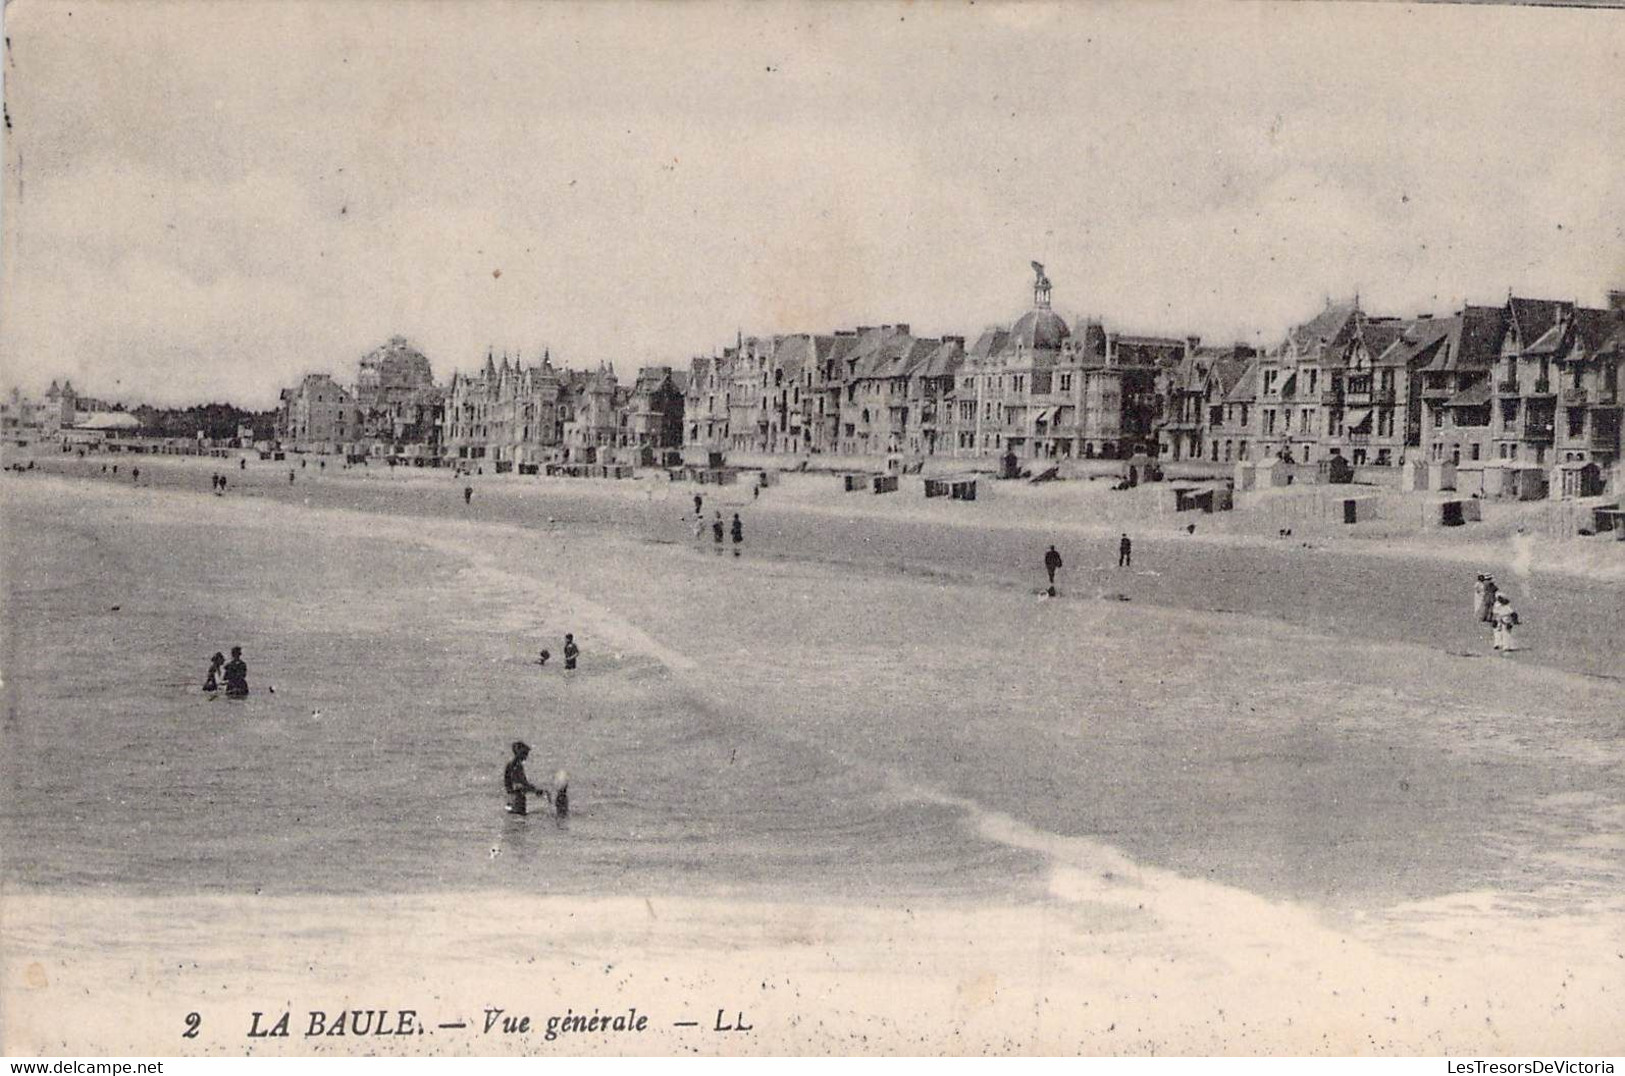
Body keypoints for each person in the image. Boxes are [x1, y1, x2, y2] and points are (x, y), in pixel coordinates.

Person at [504, 741, 549, 816]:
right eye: (525, 753)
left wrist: (534, 790)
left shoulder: (516, 765)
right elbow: (519, 785)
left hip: (515, 800)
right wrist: (534, 790)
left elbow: (522, 783)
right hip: (515, 801)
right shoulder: (514, 766)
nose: (526, 756)